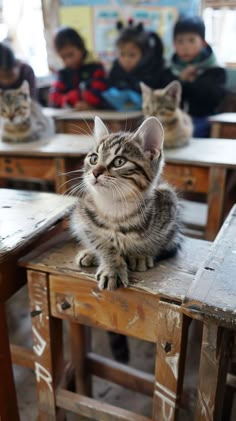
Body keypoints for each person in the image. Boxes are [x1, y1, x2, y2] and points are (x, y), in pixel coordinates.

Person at [160, 15, 226, 137]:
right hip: (171, 120)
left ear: (203, 43)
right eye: (180, 41)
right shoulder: (168, 69)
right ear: (174, 44)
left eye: (191, 40)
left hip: (203, 121)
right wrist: (180, 80)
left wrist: (193, 82)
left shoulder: (215, 69)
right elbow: (161, 97)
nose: (185, 47)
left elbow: (214, 99)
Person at [102, 19, 164, 111]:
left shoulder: (152, 73)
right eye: (122, 54)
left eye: (132, 55)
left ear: (144, 55)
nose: (126, 60)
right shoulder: (115, 71)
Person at [49, 27, 106, 110]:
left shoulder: (96, 68)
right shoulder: (63, 73)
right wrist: (70, 99)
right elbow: (54, 97)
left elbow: (99, 96)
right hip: (70, 118)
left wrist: (78, 98)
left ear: (81, 48)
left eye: (70, 55)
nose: (68, 61)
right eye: (63, 58)